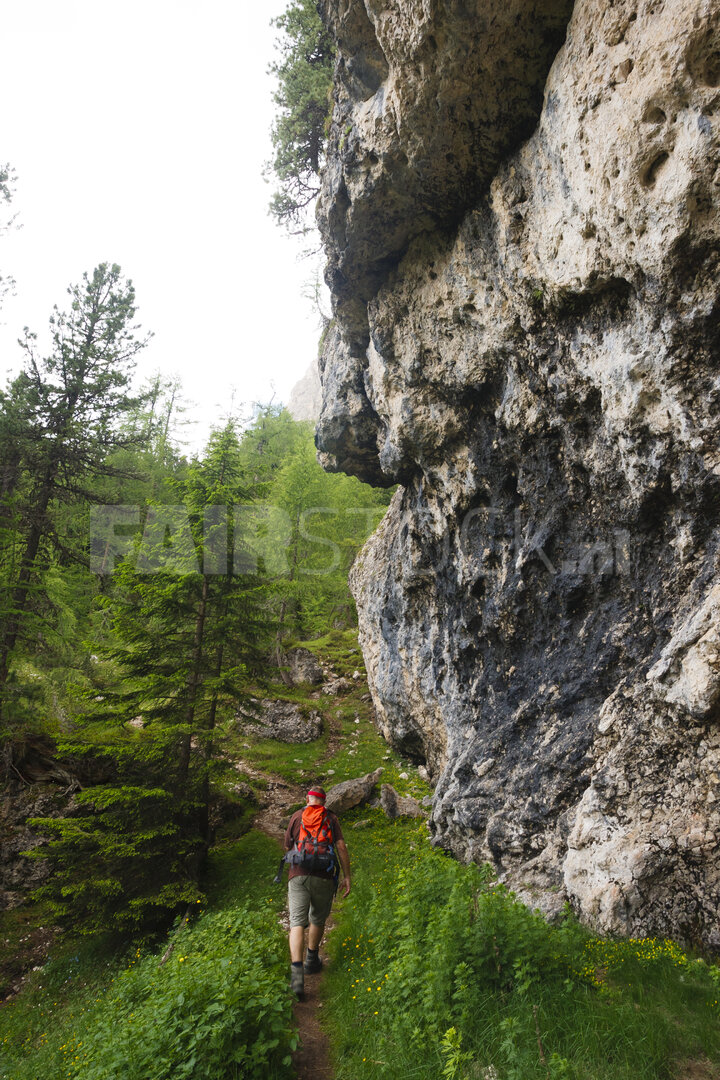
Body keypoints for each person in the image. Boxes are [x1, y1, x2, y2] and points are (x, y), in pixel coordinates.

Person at [284, 785, 351, 999]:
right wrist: (347, 876)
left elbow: (288, 847)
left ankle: (296, 977)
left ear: (308, 799)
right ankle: (311, 960)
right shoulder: (331, 819)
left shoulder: (297, 816)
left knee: (296, 923)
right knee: (317, 919)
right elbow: (341, 847)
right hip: (324, 876)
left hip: (298, 875)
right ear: (324, 801)